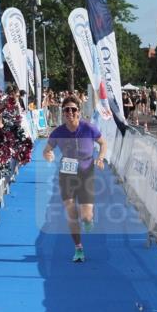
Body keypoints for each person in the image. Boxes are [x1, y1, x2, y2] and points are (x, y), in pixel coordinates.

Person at [43, 96, 107, 263]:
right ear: (63, 113)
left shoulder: (89, 128)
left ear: (79, 112)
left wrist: (100, 158)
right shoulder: (58, 132)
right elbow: (47, 149)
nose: (70, 112)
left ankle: (88, 220)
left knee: (86, 216)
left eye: (73, 109)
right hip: (67, 174)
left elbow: (103, 143)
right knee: (71, 213)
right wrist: (48, 154)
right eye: (67, 110)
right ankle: (78, 248)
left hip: (86, 172)